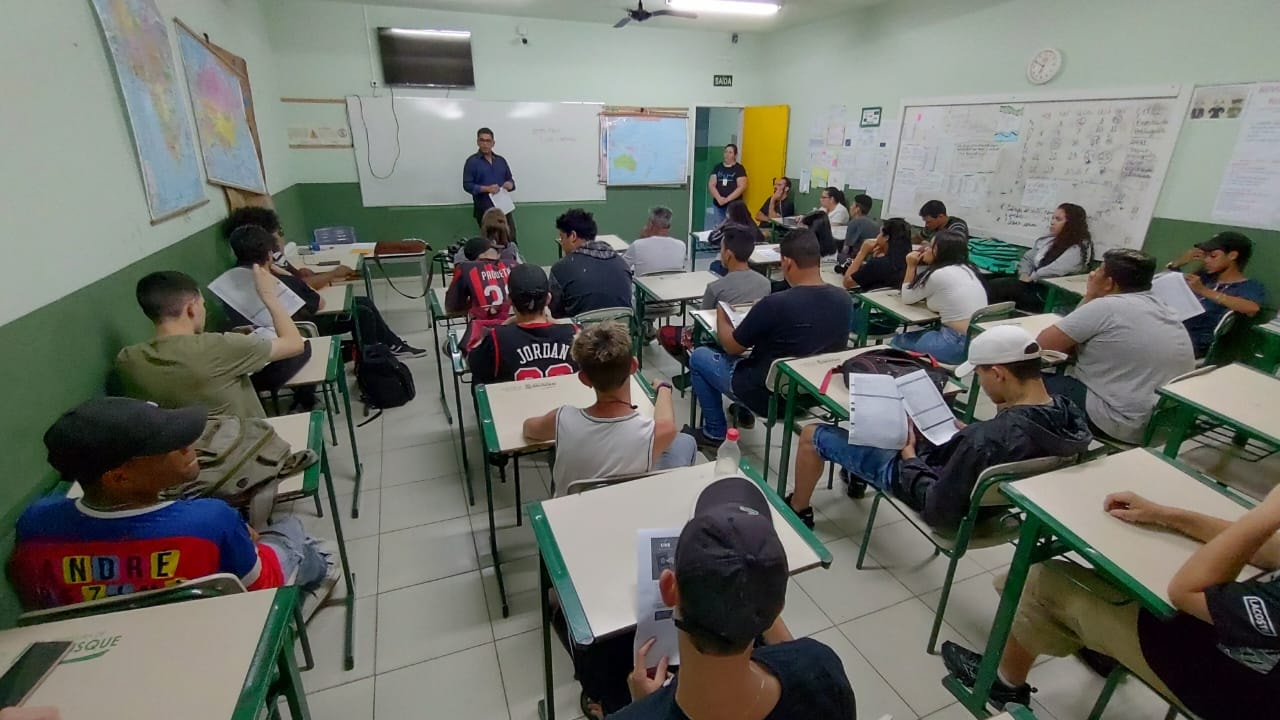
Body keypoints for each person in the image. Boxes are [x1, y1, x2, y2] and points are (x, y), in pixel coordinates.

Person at [941, 482, 1280, 718]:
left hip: (1226, 687)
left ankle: (1002, 686)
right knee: (1112, 575)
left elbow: (1186, 592)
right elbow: (1269, 548)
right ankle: (1092, 644)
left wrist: (1267, 512)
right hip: (1233, 657)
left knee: (1040, 582)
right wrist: (1164, 514)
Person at [9, 397, 333, 610]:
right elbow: (265, 587)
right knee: (294, 534)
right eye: (169, 444)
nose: (188, 444)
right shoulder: (210, 520)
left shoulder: (35, 524)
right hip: (207, 636)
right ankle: (314, 583)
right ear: (119, 478)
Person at [787, 326, 1091, 530]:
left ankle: (799, 510)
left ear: (998, 374)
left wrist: (908, 458)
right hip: (994, 507)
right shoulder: (1067, 413)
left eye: (980, 375)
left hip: (934, 492)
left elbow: (936, 509)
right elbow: (1008, 442)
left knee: (814, 435)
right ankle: (854, 478)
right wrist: (967, 432)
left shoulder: (982, 441)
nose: (981, 383)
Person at [611, 476, 857, 720]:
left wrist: (647, 706)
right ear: (778, 607)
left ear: (668, 589)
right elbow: (797, 660)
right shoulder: (822, 670)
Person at [683, 228, 852, 448]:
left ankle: (714, 431)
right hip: (812, 395)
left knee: (699, 356)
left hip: (766, 396)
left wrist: (722, 315)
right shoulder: (844, 300)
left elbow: (732, 347)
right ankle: (740, 412)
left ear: (787, 262)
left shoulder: (775, 304)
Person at [1036, 249, 1195, 444]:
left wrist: (1090, 295)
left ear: (1110, 283)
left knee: (1019, 379)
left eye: (1099, 271)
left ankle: (1022, 442)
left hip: (1121, 420)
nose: (1093, 274)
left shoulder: (1106, 307)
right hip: (1163, 422)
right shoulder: (1164, 307)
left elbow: (1044, 345)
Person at [521, 321, 696, 496]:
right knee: (685, 442)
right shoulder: (653, 433)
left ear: (584, 379)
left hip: (571, 516)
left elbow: (529, 429)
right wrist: (664, 388)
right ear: (633, 366)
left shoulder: (561, 419)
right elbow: (666, 422)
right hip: (623, 510)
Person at [222, 208, 426, 358]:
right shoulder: (275, 279)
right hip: (300, 330)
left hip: (274, 335)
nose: (280, 238)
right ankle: (374, 357)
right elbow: (316, 301)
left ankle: (390, 345)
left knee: (362, 304)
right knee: (362, 309)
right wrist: (332, 274)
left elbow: (300, 279)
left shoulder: (233, 280)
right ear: (267, 249)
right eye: (278, 233)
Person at [116, 269, 309, 418]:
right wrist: (269, 295)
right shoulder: (221, 347)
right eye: (202, 304)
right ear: (191, 308)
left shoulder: (128, 360)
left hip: (184, 459)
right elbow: (294, 344)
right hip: (243, 453)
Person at [657, 225, 772, 368]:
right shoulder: (765, 283)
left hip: (719, 343)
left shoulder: (715, 287)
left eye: (721, 249)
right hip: (750, 343)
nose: (720, 252)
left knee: (665, 332)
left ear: (728, 254)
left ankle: (695, 368)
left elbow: (700, 326)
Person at [888, 230, 989, 364]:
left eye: (930, 246)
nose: (925, 249)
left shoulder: (939, 274)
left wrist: (911, 266)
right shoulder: (969, 270)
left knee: (897, 341)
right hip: (976, 344)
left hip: (954, 344)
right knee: (922, 334)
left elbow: (907, 297)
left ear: (939, 252)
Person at [469, 264, 579, 384]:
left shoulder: (497, 337)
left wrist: (506, 323)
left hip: (515, 402)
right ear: (548, 299)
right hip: (564, 402)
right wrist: (553, 320)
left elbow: (472, 361)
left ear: (509, 299)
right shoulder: (573, 333)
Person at [1166, 231, 1266, 358]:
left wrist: (1204, 291)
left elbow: (1252, 308)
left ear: (1232, 255)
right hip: (1171, 332)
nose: (1207, 260)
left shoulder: (1248, 286)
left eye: (1213, 256)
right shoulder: (1204, 277)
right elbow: (1156, 285)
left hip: (1193, 343)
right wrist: (1177, 263)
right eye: (1205, 256)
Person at [986, 203, 1093, 311]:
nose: (1052, 222)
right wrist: (1023, 274)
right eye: (1052, 218)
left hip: (1047, 296)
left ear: (1071, 224)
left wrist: (1033, 277)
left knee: (1000, 286)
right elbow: (1027, 258)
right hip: (1030, 284)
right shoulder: (1048, 240)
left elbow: (1056, 270)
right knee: (986, 279)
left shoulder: (1079, 248)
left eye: (1058, 219)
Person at [548, 209, 632, 318]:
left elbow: (554, 313)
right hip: (619, 332)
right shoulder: (622, 263)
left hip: (581, 333)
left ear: (573, 236)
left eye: (562, 237)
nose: (562, 243)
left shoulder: (560, 269)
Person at [445, 236, 512, 353]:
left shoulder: (465, 268)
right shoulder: (513, 264)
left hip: (485, 335)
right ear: (484, 253)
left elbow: (451, 307)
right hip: (516, 329)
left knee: (449, 348)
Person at [462, 127, 517, 241]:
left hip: (504, 210)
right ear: (477, 142)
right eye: (482, 140)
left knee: (511, 240)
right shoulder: (472, 162)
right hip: (484, 210)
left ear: (493, 143)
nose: (485, 144)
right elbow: (467, 185)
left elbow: (511, 180)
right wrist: (486, 189)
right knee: (489, 243)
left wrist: (510, 185)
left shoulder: (501, 161)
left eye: (488, 141)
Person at [843, 217, 912, 292]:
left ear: (886, 237)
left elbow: (847, 282)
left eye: (880, 233)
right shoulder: (909, 262)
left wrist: (862, 253)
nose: (877, 236)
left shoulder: (878, 264)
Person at [624, 206, 687, 277]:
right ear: (669, 227)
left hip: (645, 287)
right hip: (673, 287)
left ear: (650, 224)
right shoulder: (681, 245)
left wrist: (643, 237)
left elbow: (621, 267)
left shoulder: (637, 245)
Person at [708, 143, 748, 226]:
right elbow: (711, 184)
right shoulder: (718, 167)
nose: (727, 154)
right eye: (726, 152)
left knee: (732, 227)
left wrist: (727, 199)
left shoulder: (739, 168)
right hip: (718, 204)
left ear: (735, 155)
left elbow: (742, 187)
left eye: (730, 152)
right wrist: (719, 198)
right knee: (719, 227)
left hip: (733, 206)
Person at [837, 193, 880, 262]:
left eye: (852, 205)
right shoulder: (875, 224)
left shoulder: (854, 223)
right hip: (869, 259)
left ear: (857, 209)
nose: (850, 207)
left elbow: (846, 250)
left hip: (855, 259)